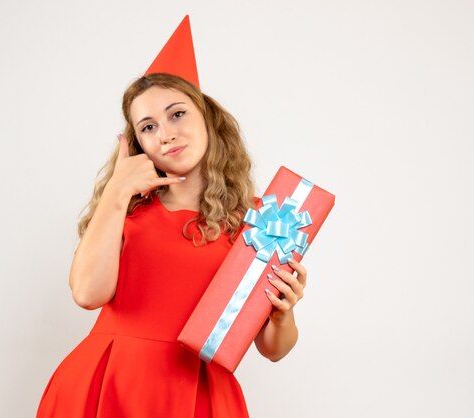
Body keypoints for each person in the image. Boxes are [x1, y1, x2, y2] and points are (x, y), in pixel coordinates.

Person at [35, 20, 308, 418]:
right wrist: (116, 190)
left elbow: (273, 350)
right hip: (108, 384)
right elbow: (87, 294)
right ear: (138, 143)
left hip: (200, 395)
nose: (166, 133)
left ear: (207, 118)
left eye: (177, 114)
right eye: (148, 127)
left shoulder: (262, 221)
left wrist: (284, 311)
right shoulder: (125, 210)